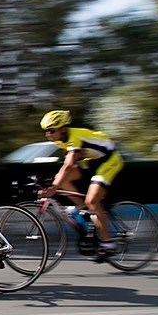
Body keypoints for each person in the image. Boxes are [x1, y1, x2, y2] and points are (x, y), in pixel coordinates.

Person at [38, 109, 124, 263]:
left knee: (92, 201)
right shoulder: (60, 139)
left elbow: (69, 164)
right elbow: (70, 163)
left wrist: (54, 187)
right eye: (46, 131)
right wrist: (54, 183)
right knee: (64, 182)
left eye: (51, 131)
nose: (48, 135)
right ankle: (84, 209)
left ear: (63, 129)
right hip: (91, 161)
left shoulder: (74, 136)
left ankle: (108, 244)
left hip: (109, 160)